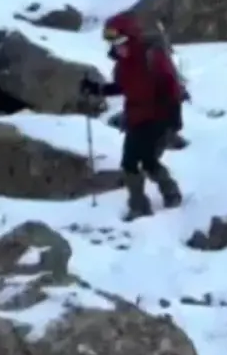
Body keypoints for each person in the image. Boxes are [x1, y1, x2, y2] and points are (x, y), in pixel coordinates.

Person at [79, 13, 186, 221]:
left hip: (159, 117)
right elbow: (122, 86)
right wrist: (97, 89)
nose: (115, 47)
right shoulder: (123, 63)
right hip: (136, 117)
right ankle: (145, 203)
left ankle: (165, 195)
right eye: (112, 43)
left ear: (130, 37)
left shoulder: (152, 57)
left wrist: (174, 119)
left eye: (119, 41)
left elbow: (171, 87)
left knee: (146, 160)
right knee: (132, 163)